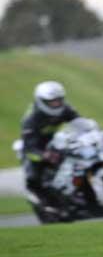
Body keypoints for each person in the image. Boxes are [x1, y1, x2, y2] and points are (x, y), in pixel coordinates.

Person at [20, 81, 80, 211]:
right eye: (52, 101)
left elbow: (79, 122)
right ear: (42, 101)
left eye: (59, 100)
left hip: (55, 141)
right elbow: (29, 148)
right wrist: (43, 155)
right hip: (36, 146)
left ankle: (77, 190)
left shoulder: (65, 108)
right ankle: (39, 198)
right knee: (33, 174)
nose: (57, 103)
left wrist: (90, 131)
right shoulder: (31, 119)